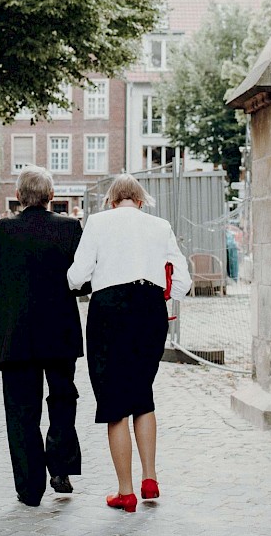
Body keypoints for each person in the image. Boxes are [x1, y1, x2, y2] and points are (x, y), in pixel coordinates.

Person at [67, 173, 191, 513]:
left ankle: (126, 491)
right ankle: (150, 477)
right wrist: (164, 296)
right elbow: (183, 279)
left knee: (113, 400)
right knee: (142, 393)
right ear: (140, 200)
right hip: (149, 308)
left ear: (111, 200)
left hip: (109, 309)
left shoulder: (98, 222)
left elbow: (78, 274)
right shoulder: (160, 226)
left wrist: (76, 281)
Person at [0, 166, 89, 507]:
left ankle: (30, 486)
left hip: (14, 337)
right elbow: (84, 282)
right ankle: (61, 465)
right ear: (52, 196)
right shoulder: (70, 229)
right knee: (63, 398)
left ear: (19, 197)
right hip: (60, 332)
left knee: (21, 410)